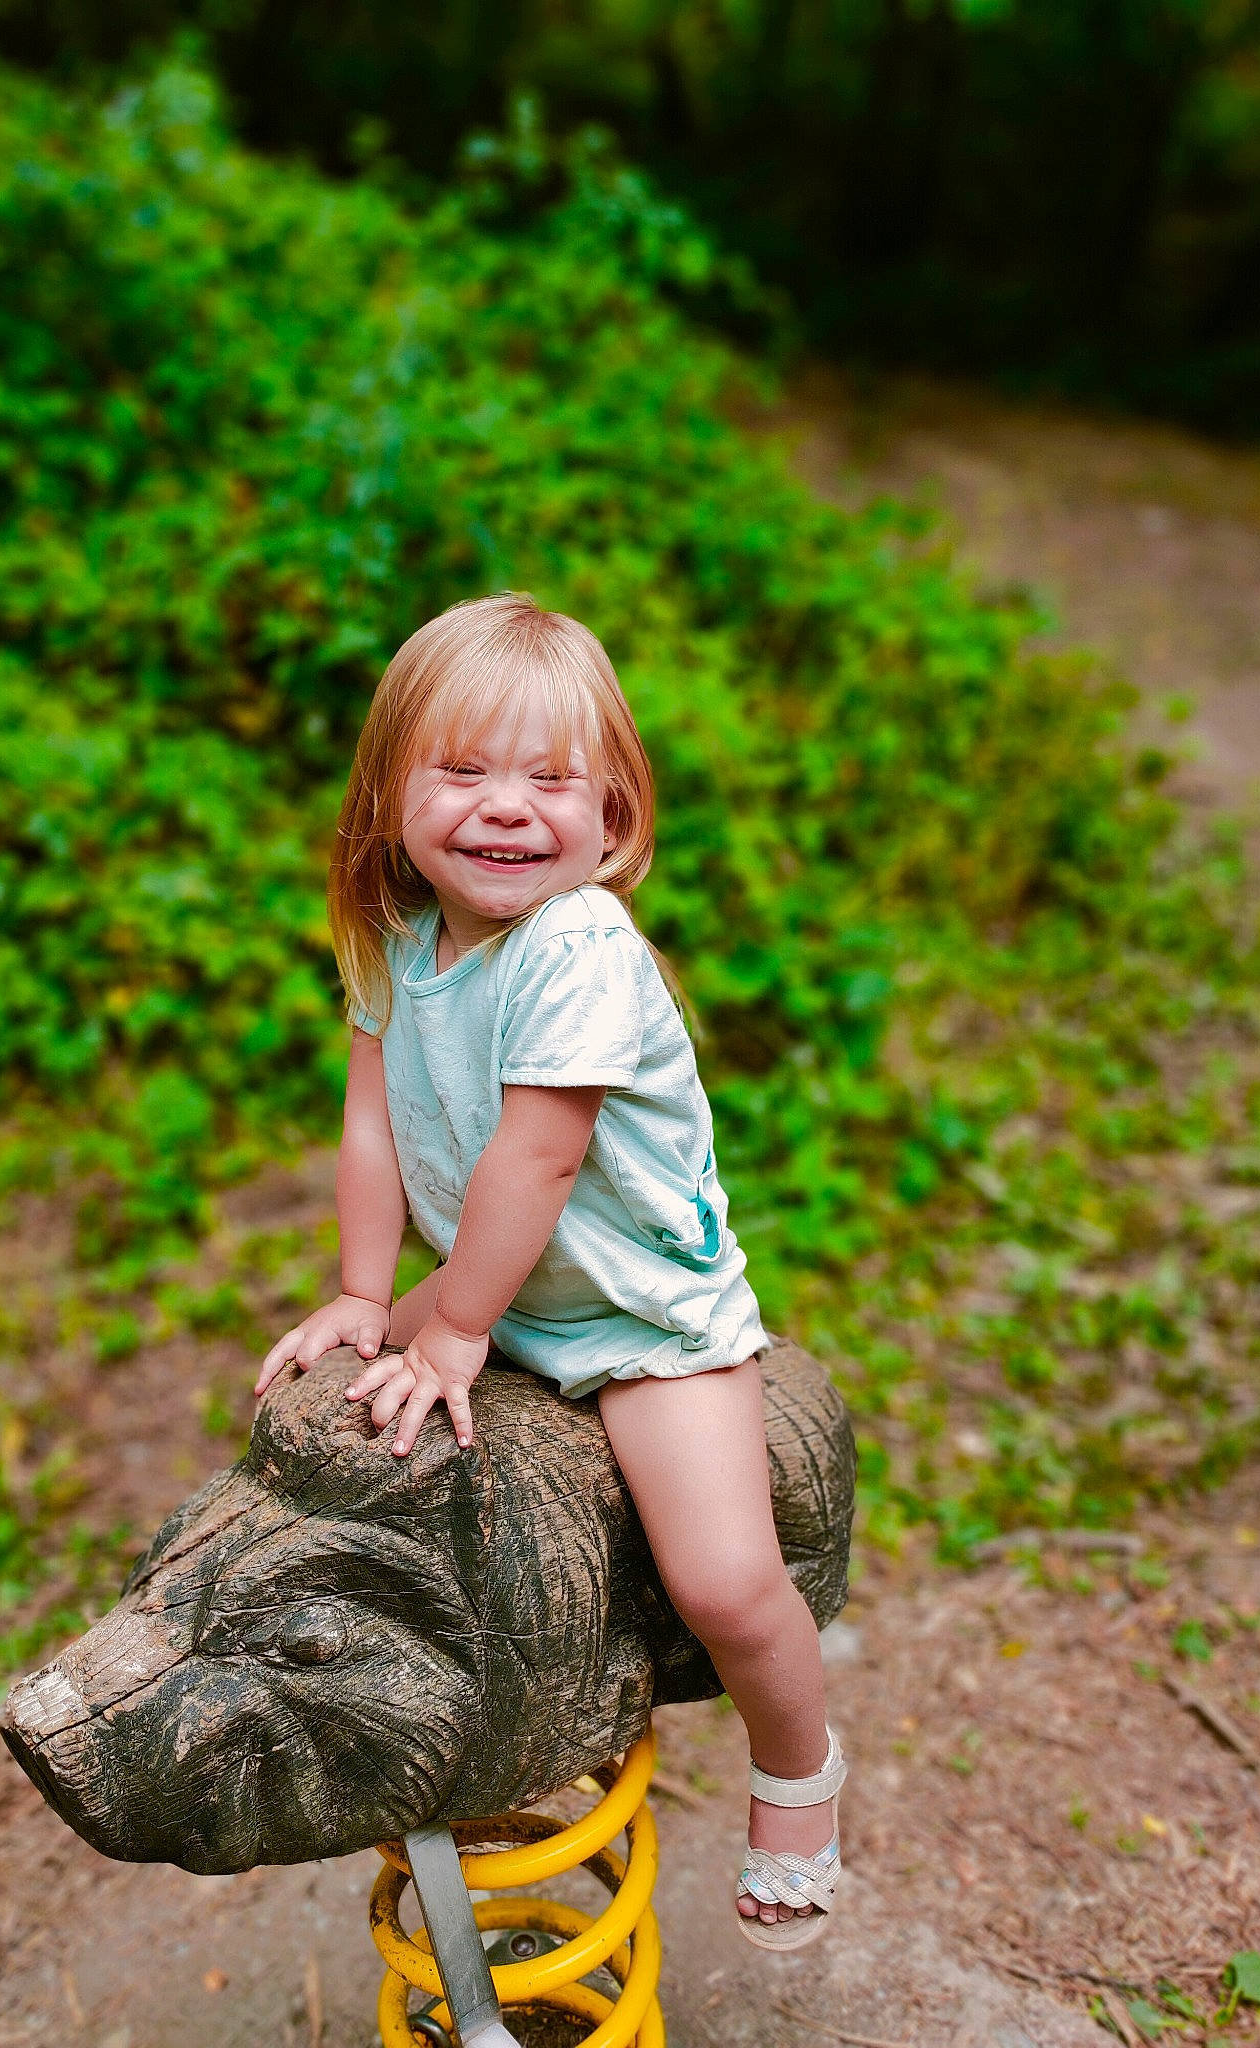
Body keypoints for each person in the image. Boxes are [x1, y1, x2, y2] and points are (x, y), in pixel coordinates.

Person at [253, 592, 846, 1949]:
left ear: (611, 812)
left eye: (549, 778)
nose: (505, 808)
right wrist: (363, 1293)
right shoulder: (406, 940)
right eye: (462, 770)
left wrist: (451, 1327)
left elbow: (537, 1163)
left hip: (640, 1316)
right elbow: (370, 1123)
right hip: (498, 1285)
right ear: (392, 793)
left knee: (725, 1581)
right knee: (324, 1402)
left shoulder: (575, 946)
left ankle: (801, 1778)